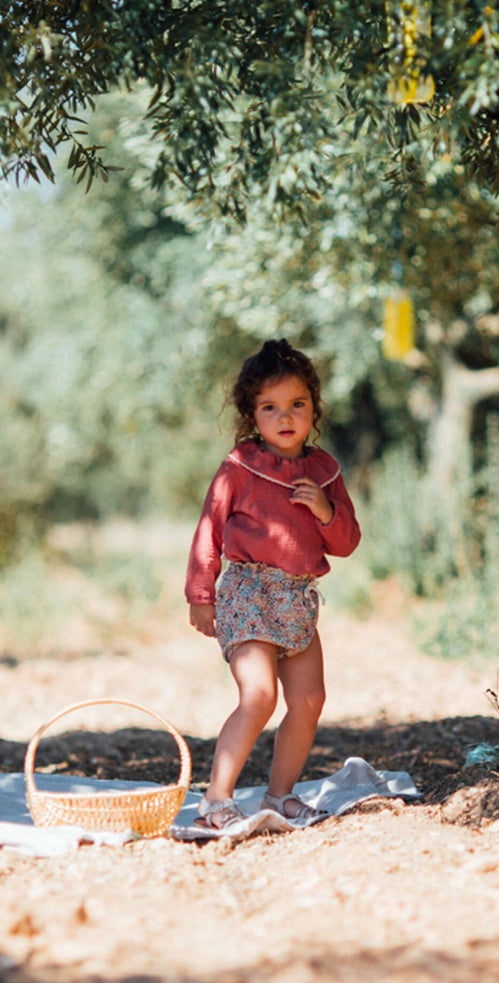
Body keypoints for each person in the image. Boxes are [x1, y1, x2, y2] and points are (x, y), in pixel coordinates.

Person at [185, 338, 361, 830]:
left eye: (297, 405)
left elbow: (346, 542)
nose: (285, 417)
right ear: (252, 415)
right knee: (258, 694)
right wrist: (200, 595)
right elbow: (209, 530)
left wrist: (326, 511)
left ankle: (280, 795)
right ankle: (216, 797)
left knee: (309, 701)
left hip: (298, 600)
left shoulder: (324, 472)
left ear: (313, 408)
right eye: (270, 407)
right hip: (247, 593)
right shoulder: (238, 468)